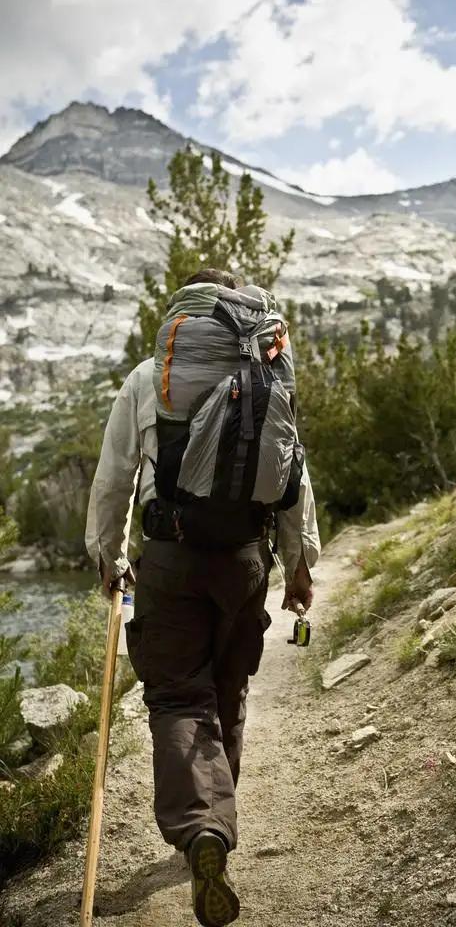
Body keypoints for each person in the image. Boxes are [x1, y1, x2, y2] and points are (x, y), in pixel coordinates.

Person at [85, 268, 320, 927]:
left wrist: (107, 559)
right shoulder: (271, 377)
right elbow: (295, 480)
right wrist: (301, 569)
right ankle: (216, 816)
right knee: (228, 688)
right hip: (246, 560)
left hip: (169, 561)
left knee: (176, 695)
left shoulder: (149, 379)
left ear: (182, 316)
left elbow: (111, 483)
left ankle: (200, 829)